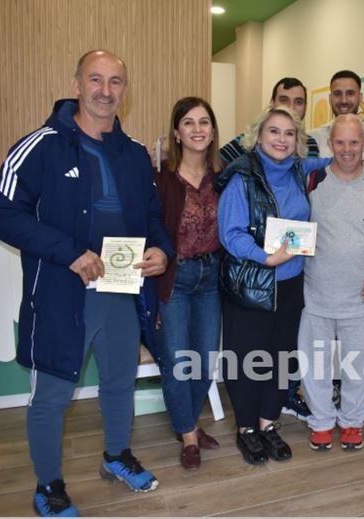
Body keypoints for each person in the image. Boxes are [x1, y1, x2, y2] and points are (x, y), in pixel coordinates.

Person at [0, 50, 173, 516]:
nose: (105, 91)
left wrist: (161, 250)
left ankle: (116, 456)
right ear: (77, 85)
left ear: (125, 90)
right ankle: (48, 485)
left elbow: (152, 216)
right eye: (96, 79)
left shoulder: (134, 154)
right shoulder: (40, 146)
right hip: (60, 295)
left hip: (120, 291)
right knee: (51, 397)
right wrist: (68, 252)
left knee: (119, 383)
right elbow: (2, 213)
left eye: (115, 82)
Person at [216, 106, 331, 465]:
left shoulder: (297, 169)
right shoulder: (242, 177)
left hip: (292, 283)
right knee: (248, 360)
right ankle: (247, 429)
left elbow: (336, 160)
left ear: (298, 140)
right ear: (258, 136)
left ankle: (268, 423)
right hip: (254, 283)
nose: (281, 139)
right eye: (274, 131)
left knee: (281, 356)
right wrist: (265, 258)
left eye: (289, 133)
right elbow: (230, 233)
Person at [299, 114, 364, 450]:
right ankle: (321, 421)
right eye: (341, 142)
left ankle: (352, 422)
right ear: (330, 144)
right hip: (315, 294)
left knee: (359, 366)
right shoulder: (312, 181)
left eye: (354, 142)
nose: (347, 149)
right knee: (314, 365)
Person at [154, 97, 223, 472]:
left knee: (205, 360)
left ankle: (189, 424)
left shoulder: (223, 176)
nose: (198, 129)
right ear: (177, 133)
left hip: (212, 278)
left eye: (204, 122)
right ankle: (188, 436)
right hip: (174, 280)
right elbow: (150, 232)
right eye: (189, 123)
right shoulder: (161, 179)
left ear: (213, 131)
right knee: (178, 362)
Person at [220, 77, 320, 166]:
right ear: (272, 103)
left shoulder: (309, 144)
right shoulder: (249, 140)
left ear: (305, 107)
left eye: (298, 102)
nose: (291, 107)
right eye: (284, 100)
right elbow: (216, 164)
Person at [310, 70, 364, 160]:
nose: (344, 100)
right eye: (337, 94)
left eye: (350, 93)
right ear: (330, 99)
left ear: (360, 98)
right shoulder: (314, 138)